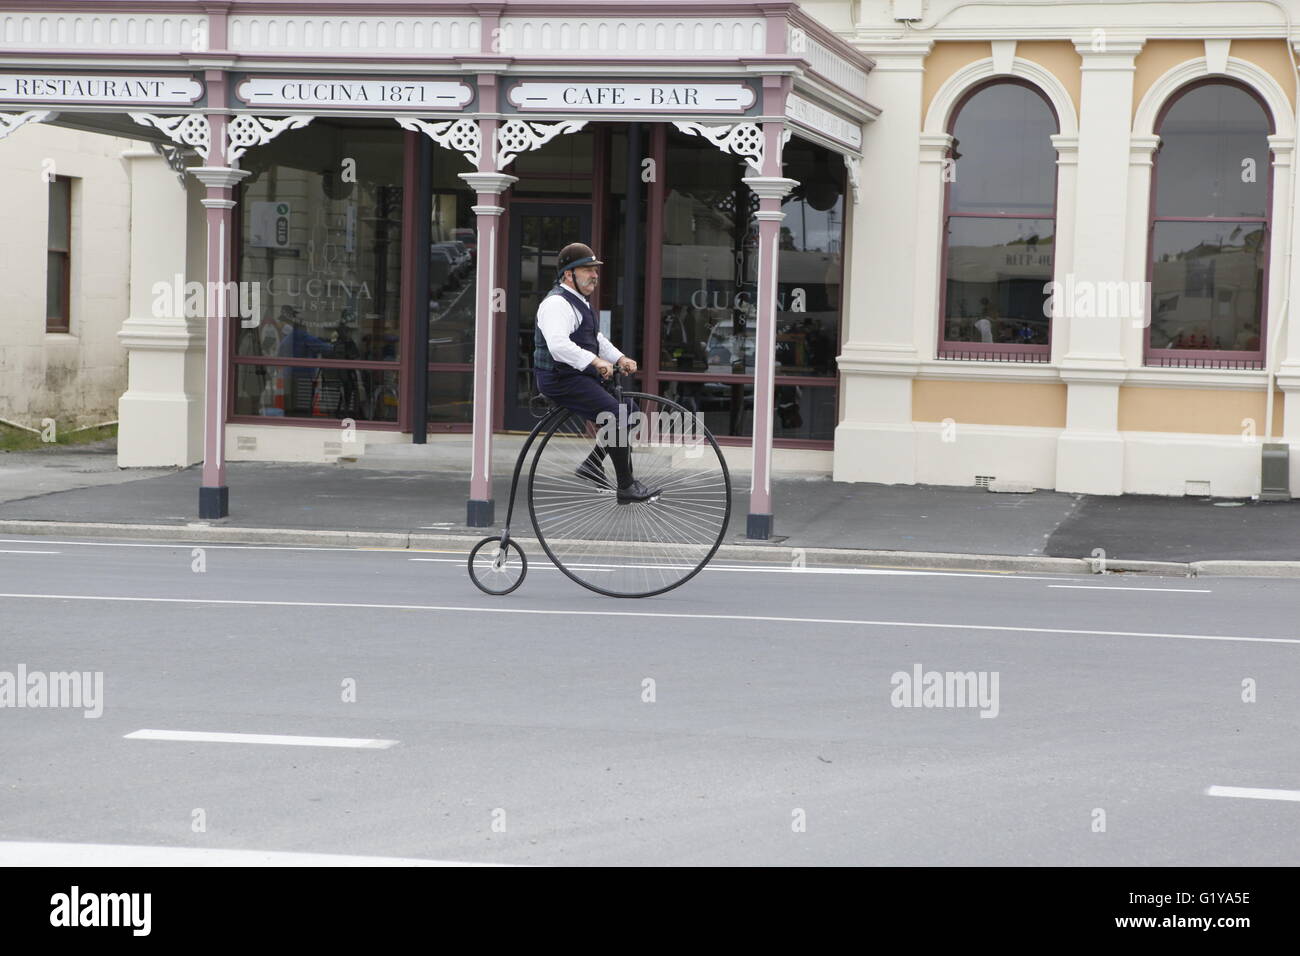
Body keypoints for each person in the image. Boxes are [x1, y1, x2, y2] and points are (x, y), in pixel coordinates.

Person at [533, 242, 660, 503]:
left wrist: (619, 357)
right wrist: (595, 362)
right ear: (568, 274)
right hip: (560, 379)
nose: (595, 275)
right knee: (615, 415)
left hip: (578, 376)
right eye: (588, 270)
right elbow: (558, 346)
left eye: (595, 270)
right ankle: (626, 486)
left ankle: (592, 464)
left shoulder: (580, 302)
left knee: (632, 414)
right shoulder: (556, 304)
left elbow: (596, 339)